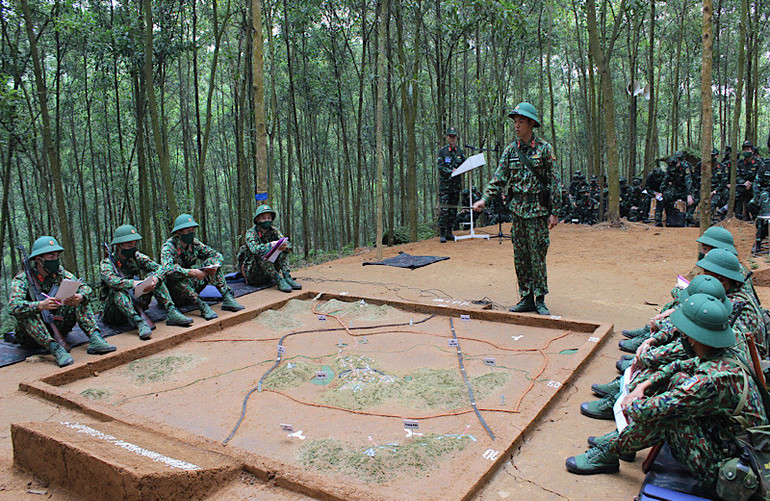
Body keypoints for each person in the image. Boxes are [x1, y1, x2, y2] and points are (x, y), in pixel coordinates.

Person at [567, 293, 767, 485]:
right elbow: (680, 366)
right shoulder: (726, 350)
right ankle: (621, 442)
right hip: (730, 439)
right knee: (677, 381)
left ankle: (611, 452)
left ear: (694, 337)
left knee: (671, 419)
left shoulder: (712, 380)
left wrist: (632, 403)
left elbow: (651, 411)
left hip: (734, 468)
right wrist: (645, 385)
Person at [473, 102, 560, 315]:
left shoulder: (544, 149)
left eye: (521, 121)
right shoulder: (511, 150)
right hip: (518, 212)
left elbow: (555, 181)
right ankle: (526, 297)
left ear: (531, 123)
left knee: (537, 255)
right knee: (521, 257)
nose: (517, 125)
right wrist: (485, 198)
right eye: (515, 121)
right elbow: (499, 177)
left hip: (538, 211)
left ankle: (540, 299)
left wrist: (555, 211)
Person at [8, 236, 115, 367]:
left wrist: (79, 296)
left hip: (58, 325)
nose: (55, 260)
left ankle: (95, 338)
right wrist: (39, 306)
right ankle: (55, 348)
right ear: (38, 259)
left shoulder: (59, 272)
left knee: (80, 299)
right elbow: (13, 306)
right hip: (31, 335)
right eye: (51, 257)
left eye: (57, 256)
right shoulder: (22, 279)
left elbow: (85, 288)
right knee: (26, 314)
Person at [100, 224, 193, 340]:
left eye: (134, 244)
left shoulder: (136, 257)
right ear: (119, 246)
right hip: (115, 311)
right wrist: (133, 283)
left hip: (137, 301)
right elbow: (111, 281)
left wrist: (155, 279)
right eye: (129, 245)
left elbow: (159, 268)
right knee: (117, 290)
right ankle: (138, 322)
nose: (133, 247)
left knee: (153, 277)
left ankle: (171, 311)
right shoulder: (107, 264)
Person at [160, 214, 244, 320]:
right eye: (187, 230)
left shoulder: (194, 244)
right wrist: (191, 272)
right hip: (175, 292)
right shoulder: (169, 247)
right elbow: (168, 269)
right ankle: (202, 306)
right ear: (179, 232)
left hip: (192, 285)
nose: (191, 233)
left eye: (192, 230)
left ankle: (227, 297)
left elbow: (216, 255)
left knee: (211, 264)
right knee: (176, 277)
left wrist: (212, 267)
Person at [237, 204, 302, 293]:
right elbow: (255, 249)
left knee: (283, 251)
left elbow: (287, 243)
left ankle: (287, 277)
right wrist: (271, 245)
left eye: (269, 218)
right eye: (263, 218)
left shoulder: (274, 231)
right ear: (258, 220)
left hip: (269, 273)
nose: (267, 220)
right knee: (261, 254)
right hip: (254, 273)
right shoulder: (251, 233)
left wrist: (285, 247)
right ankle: (279, 280)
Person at [436, 127, 466, 243]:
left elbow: (465, 163)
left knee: (453, 210)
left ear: (456, 138)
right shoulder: (443, 151)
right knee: (445, 209)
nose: (452, 138)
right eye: (450, 136)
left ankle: (449, 232)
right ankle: (442, 233)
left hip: (456, 186)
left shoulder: (460, 152)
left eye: (454, 136)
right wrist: (451, 171)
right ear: (447, 137)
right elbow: (441, 167)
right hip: (445, 186)